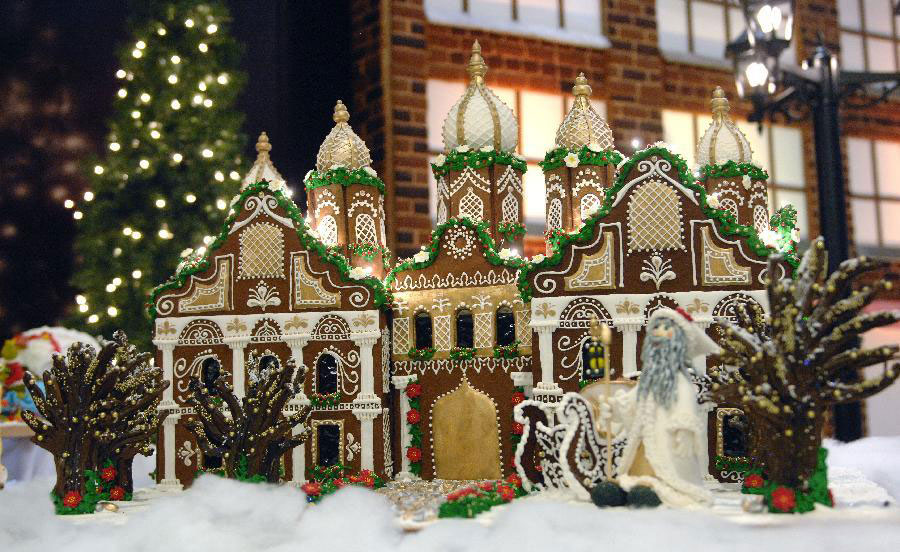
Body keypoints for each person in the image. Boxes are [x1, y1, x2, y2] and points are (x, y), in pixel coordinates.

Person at [597, 307, 720, 507]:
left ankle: (654, 492)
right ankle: (627, 489)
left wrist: (685, 430)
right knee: (634, 473)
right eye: (656, 327)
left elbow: (686, 406)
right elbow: (632, 403)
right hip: (644, 441)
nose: (659, 332)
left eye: (666, 328)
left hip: (669, 441)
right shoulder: (648, 380)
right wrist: (614, 408)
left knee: (668, 471)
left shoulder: (680, 381)